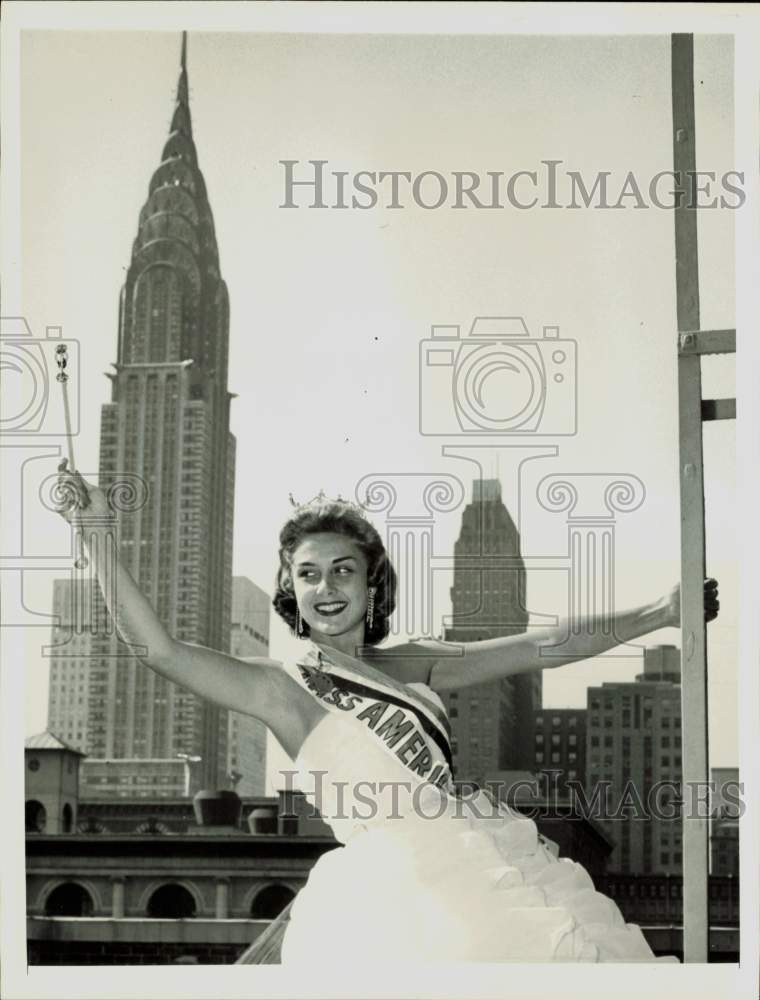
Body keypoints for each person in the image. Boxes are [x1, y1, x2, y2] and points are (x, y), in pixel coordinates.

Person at [55, 462, 719, 965]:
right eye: (309, 573)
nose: (327, 587)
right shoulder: (280, 687)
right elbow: (158, 650)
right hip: (390, 894)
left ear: (371, 583)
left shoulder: (415, 661)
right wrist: (99, 535)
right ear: (291, 588)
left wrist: (659, 611)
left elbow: (543, 644)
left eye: (343, 570)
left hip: (483, 862)